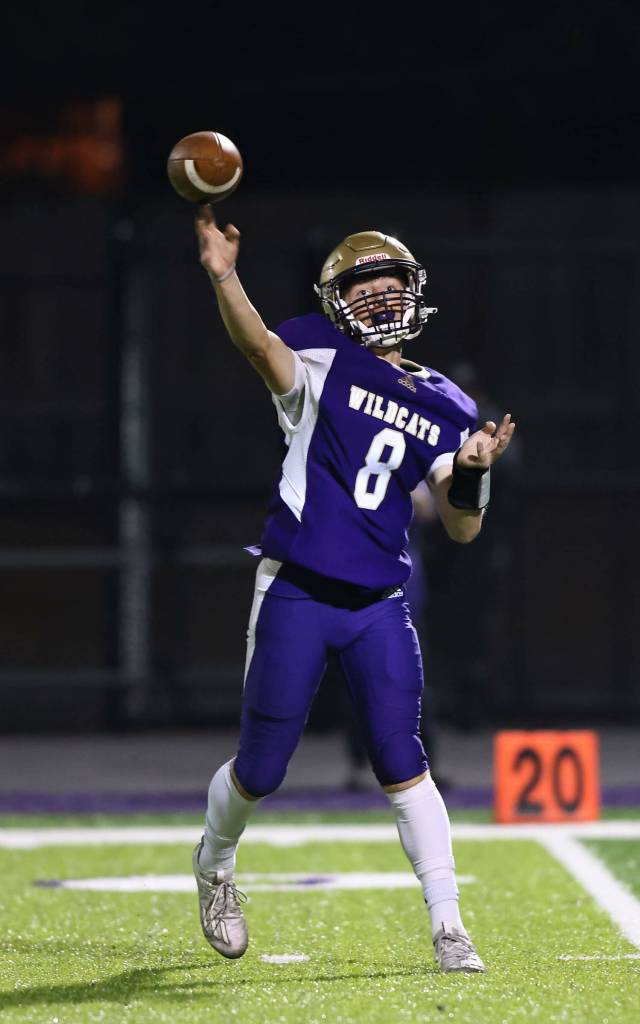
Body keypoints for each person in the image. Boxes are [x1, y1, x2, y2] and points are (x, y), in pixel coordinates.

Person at [191, 208, 516, 974]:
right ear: (336, 303)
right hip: (297, 588)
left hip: (377, 602)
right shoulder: (318, 354)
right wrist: (225, 278)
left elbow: (461, 527)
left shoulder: (445, 400)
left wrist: (472, 474)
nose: (376, 297)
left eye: (387, 284)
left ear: (413, 291)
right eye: (359, 287)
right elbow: (258, 345)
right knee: (262, 767)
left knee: (403, 759)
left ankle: (448, 925)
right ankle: (214, 861)